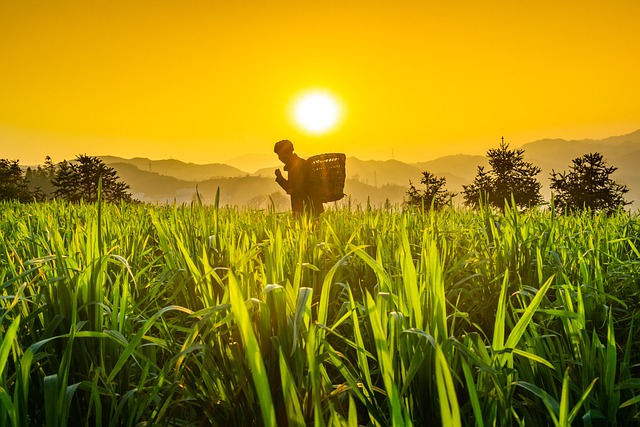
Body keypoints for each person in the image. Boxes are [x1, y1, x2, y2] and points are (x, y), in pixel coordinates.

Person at [274, 139, 324, 217]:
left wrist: (294, 190)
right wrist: (280, 178)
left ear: (287, 153)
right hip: (303, 209)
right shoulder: (293, 166)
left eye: (280, 155)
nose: (279, 158)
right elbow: (290, 188)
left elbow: (309, 185)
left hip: (308, 209)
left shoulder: (300, 165)